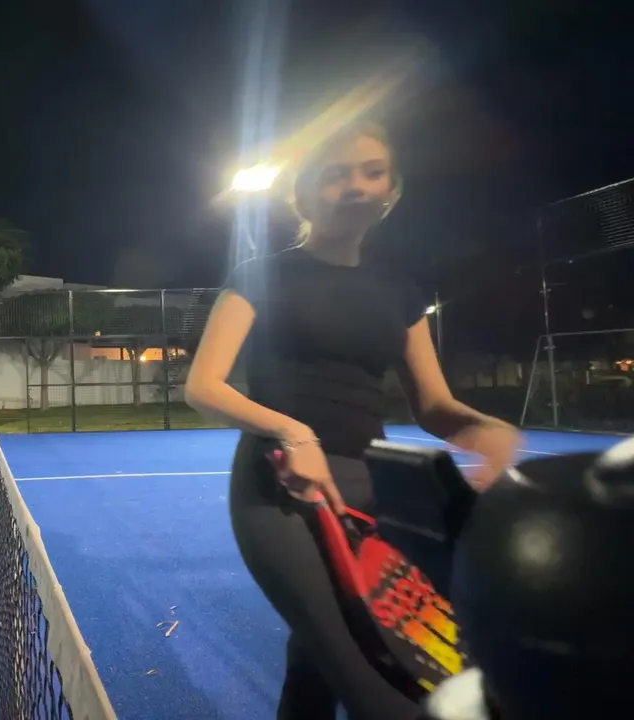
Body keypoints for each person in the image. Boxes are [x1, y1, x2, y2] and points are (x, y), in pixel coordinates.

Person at [183, 122, 523, 720]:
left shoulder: (401, 291)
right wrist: (293, 432)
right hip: (282, 487)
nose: (356, 186)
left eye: (373, 172)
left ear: (392, 191)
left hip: (373, 491)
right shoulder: (259, 276)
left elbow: (435, 407)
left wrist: (487, 430)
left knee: (315, 665)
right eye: (335, 174)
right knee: (378, 683)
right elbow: (203, 387)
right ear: (304, 193)